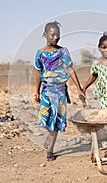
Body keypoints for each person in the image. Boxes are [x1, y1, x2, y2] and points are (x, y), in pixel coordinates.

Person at [34, 21, 85, 161]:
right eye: (53, 35)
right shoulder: (40, 53)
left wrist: (79, 88)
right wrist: (36, 91)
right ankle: (49, 138)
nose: (56, 37)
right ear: (45, 35)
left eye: (58, 35)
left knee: (55, 121)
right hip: (46, 91)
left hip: (60, 91)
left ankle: (49, 150)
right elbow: (38, 72)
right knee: (45, 119)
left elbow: (70, 69)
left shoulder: (63, 51)